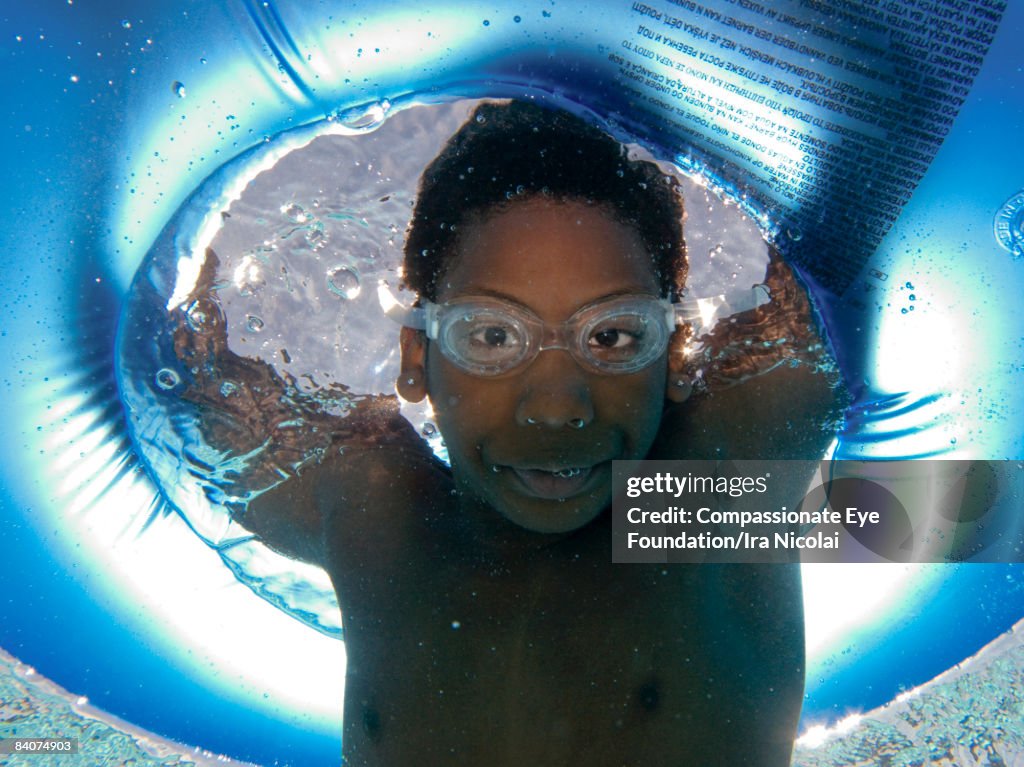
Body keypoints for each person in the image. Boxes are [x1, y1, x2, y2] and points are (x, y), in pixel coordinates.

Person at [176, 100, 846, 765]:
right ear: (417, 358)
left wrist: (799, 515)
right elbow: (184, 362)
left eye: (611, 335)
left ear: (672, 353)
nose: (557, 407)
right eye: (492, 336)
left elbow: (935, 509)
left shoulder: (693, 496)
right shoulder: (381, 516)